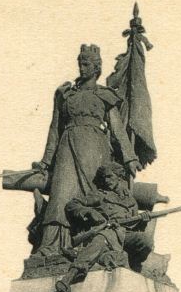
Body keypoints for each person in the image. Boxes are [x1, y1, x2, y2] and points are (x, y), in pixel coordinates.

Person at [31, 43, 140, 261]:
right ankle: (51, 247)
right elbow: (54, 129)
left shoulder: (105, 95)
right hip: (67, 148)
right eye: (80, 63)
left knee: (91, 197)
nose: (82, 68)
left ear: (97, 67)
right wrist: (45, 162)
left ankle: (90, 244)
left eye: (87, 64)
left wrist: (130, 158)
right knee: (60, 194)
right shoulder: (65, 94)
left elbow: (117, 130)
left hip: (95, 151)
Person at [53, 162, 152, 292]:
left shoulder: (131, 201)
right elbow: (72, 205)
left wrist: (143, 221)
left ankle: (131, 264)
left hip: (124, 234)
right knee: (101, 240)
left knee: (146, 241)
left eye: (110, 177)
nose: (106, 180)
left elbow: (135, 226)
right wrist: (89, 212)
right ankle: (68, 279)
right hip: (107, 231)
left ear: (119, 177)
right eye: (104, 178)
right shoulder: (99, 195)